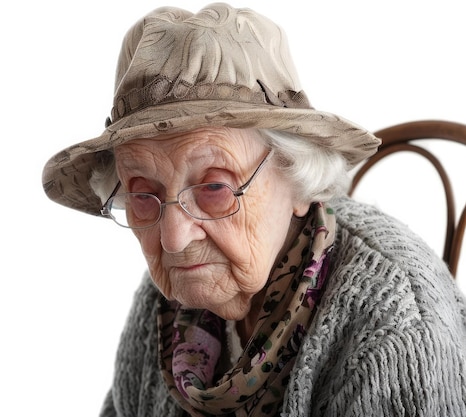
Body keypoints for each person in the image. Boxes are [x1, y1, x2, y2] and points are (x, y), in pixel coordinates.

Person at [41, 3, 466, 416]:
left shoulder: (395, 330)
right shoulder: (168, 300)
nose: (173, 237)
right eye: (142, 194)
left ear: (300, 180)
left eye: (214, 186)